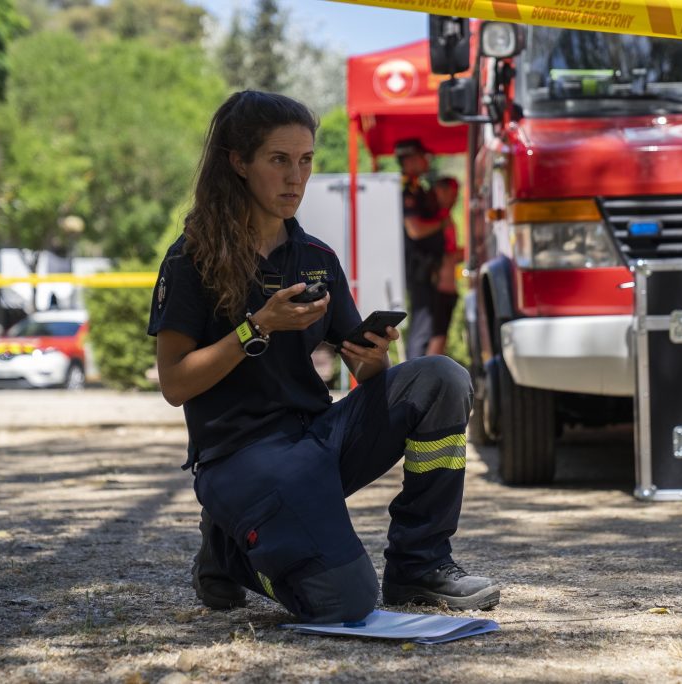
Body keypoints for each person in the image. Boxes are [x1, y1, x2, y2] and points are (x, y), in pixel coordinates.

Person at [147, 91, 499, 624]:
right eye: (279, 160)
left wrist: (374, 359)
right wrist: (257, 326)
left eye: (306, 160)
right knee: (346, 602)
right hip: (241, 457)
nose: (296, 177)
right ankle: (229, 550)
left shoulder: (317, 259)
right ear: (238, 163)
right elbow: (174, 384)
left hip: (317, 442)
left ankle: (418, 563)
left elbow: (362, 370)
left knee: (441, 379)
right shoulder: (191, 258)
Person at [395, 138, 446, 360]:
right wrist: (442, 223)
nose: (427, 160)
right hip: (418, 267)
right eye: (423, 155)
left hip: (428, 266)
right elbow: (415, 229)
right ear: (411, 159)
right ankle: (415, 379)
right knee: (422, 326)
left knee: (428, 324)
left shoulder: (417, 188)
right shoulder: (407, 190)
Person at [426, 176, 463, 357]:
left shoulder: (444, 217)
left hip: (447, 289)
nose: (455, 198)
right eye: (451, 193)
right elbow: (447, 254)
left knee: (440, 339)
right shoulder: (436, 220)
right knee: (437, 339)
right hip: (439, 288)